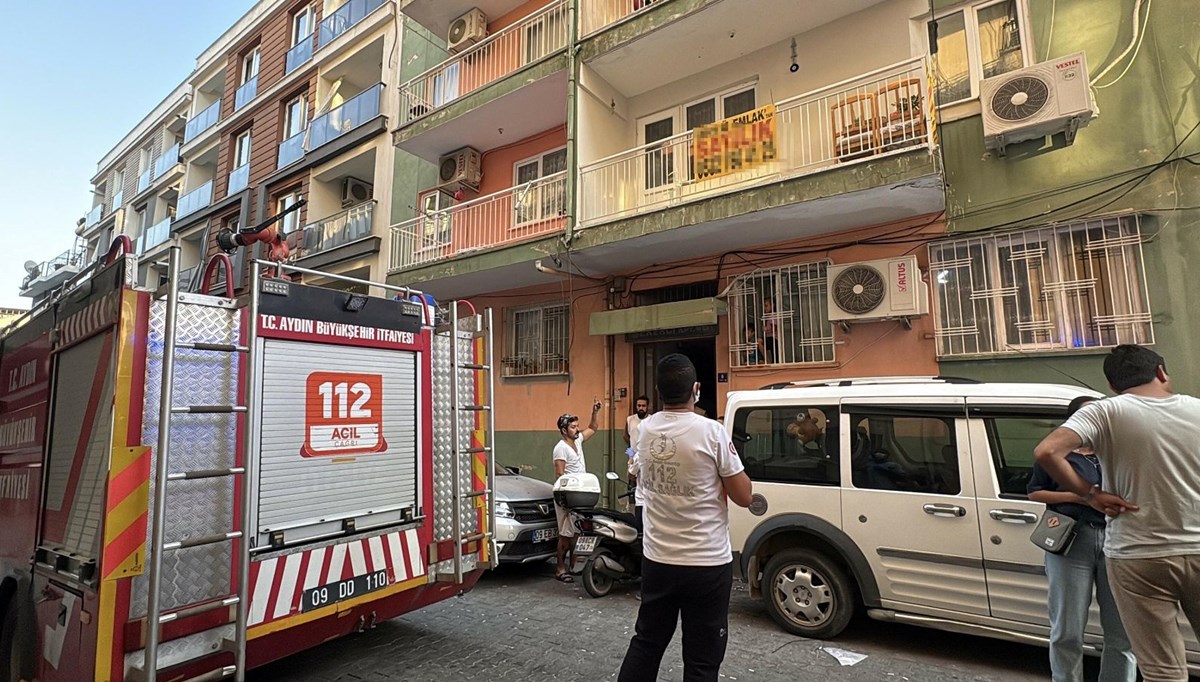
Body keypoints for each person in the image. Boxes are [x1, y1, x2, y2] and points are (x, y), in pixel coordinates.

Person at [1034, 345, 1200, 682]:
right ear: (1162, 372)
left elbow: (1047, 451)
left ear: (1112, 386)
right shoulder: (1197, 410)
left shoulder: (1105, 412)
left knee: (1162, 670)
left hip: (1136, 552)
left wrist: (1090, 494)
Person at [618, 354, 753, 682]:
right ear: (696, 389)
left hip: (658, 560)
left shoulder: (645, 430)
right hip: (706, 564)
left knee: (647, 642)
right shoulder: (712, 432)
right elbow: (744, 496)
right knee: (702, 661)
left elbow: (638, 471)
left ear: (658, 391)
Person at [1027, 395, 1135, 682]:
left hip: (1117, 539)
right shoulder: (1057, 455)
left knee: (1122, 630)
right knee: (1067, 628)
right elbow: (1035, 492)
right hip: (1072, 540)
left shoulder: (1116, 453)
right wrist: (1080, 496)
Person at [552, 400, 602, 583]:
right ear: (564, 430)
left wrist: (594, 411)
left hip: (579, 494)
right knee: (565, 534)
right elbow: (560, 474)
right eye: (573, 427)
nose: (577, 429)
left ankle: (573, 565)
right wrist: (567, 497)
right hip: (567, 495)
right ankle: (559, 568)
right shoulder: (561, 448)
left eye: (576, 426)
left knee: (576, 532)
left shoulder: (578, 440)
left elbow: (593, 428)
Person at [625, 396, 651, 531]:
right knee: (632, 485)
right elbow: (626, 438)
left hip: (648, 456)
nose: (641, 408)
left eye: (643, 406)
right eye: (639, 405)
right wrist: (630, 455)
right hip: (634, 458)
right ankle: (632, 507)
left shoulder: (651, 421)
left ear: (648, 407)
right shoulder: (630, 420)